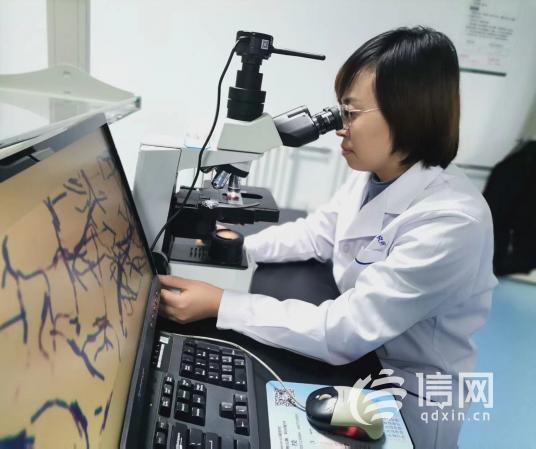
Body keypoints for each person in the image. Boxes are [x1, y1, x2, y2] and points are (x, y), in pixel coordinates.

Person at [159, 27, 497, 448]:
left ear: (407, 113)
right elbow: (317, 233)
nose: (340, 127)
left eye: (350, 113)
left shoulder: (453, 221)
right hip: (363, 359)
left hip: (406, 393)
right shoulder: (377, 176)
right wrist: (239, 249)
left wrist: (220, 302)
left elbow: (344, 331)